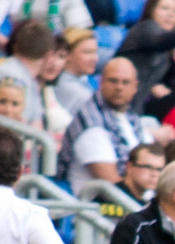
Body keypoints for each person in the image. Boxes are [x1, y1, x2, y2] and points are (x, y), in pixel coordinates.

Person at [57, 58, 156, 197]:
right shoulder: (90, 121)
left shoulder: (131, 117)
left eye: (125, 82)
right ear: (101, 82)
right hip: (98, 209)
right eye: (113, 81)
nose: (119, 87)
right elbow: (112, 184)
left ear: (135, 87)